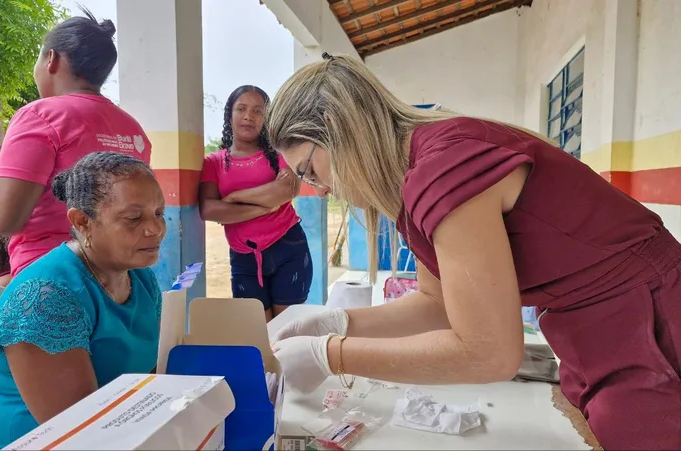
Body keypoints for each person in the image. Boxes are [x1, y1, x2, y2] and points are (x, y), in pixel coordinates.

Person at [266, 53, 681, 450]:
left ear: (339, 129)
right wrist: (337, 323)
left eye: (310, 171)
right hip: (589, 325)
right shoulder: (413, 180)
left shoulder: (443, 169)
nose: (319, 189)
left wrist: (332, 355)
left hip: (649, 316)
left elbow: (489, 353)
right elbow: (437, 303)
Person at [0, 152, 165, 450]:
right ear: (82, 221)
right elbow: (78, 432)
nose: (155, 229)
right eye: (133, 218)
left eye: (159, 213)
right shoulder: (44, 301)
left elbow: (153, 377)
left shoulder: (139, 278)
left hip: (122, 433)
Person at [0, 9, 151, 278]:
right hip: (119, 278)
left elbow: (4, 220)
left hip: (53, 279)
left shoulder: (40, 116)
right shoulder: (133, 129)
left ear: (51, 59)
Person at [199, 85, 309, 322]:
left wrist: (235, 197)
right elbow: (209, 208)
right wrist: (264, 207)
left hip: (288, 247)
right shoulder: (214, 162)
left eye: (258, 111)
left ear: (266, 119)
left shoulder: (279, 153)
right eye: (241, 109)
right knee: (256, 332)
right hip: (244, 258)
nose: (249, 116)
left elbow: (287, 189)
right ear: (230, 114)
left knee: (286, 331)